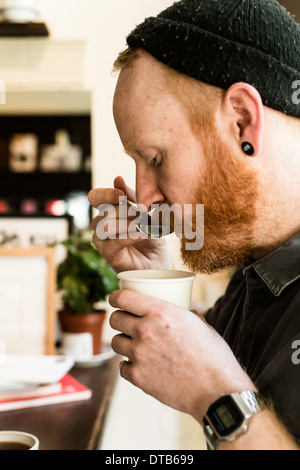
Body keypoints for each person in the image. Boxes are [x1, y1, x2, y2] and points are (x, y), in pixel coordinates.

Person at [88, 0, 300, 450]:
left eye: (155, 158)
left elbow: (211, 375)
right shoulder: (260, 267)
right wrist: (156, 275)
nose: (144, 197)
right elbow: (202, 351)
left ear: (242, 119)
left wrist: (214, 394)